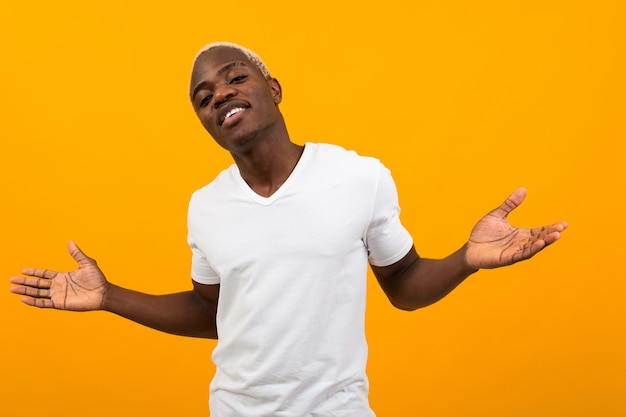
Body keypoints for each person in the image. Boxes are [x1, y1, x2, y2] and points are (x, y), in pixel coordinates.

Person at [10, 42, 568, 416]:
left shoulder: (358, 175)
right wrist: (110, 297)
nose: (220, 94)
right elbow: (214, 314)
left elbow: (405, 286)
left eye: (234, 78)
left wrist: (466, 259)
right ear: (204, 122)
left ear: (273, 89)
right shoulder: (206, 207)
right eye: (203, 97)